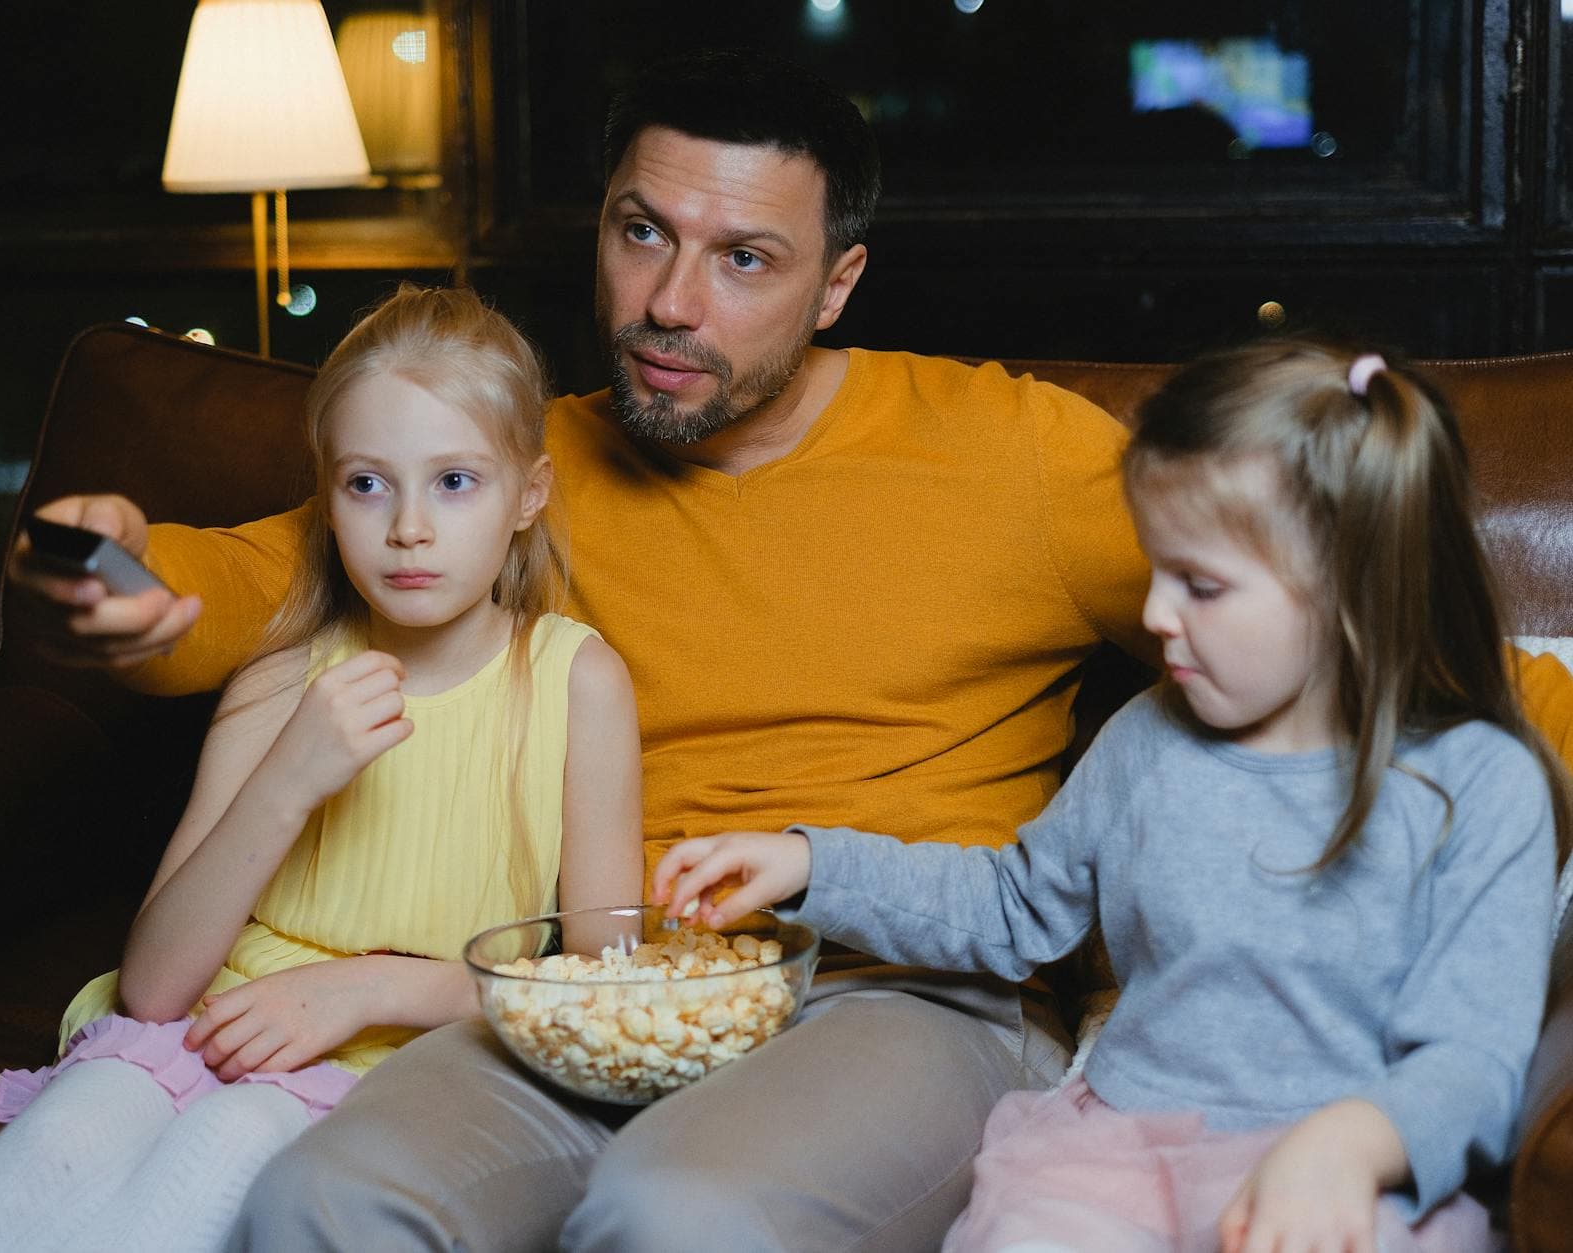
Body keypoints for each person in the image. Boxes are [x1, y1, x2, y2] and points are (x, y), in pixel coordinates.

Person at [6, 50, 1573, 1251]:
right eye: (642, 235)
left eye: (744, 260)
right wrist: (108, 579)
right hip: (584, 984)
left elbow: (1334, 617)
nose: (670, 305)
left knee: (682, 1217)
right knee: (321, 1197)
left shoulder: (1006, 454)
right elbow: (234, 583)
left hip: (902, 989)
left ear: (838, 283)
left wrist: (1524, 753)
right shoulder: (505, 467)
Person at [655, 340, 1571, 1253]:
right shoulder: (1148, 738)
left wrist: (1350, 1146)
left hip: (1352, 1164)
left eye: (1201, 585)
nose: (1157, 611)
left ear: (1351, 591)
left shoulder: (1480, 784)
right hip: (1123, 1151)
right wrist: (816, 863)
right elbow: (1011, 905)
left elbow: (1475, 1062)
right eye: (1157, 567)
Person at [0, 285, 642, 1253]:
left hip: (404, 1057)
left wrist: (371, 988)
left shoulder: (575, 682)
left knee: (226, 1145)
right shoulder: (280, 680)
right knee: (58, 1143)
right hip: (206, 1028)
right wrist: (287, 775)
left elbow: (605, 987)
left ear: (527, 494)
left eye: (454, 481)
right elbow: (154, 987)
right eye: (368, 483)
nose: (407, 527)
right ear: (326, 496)